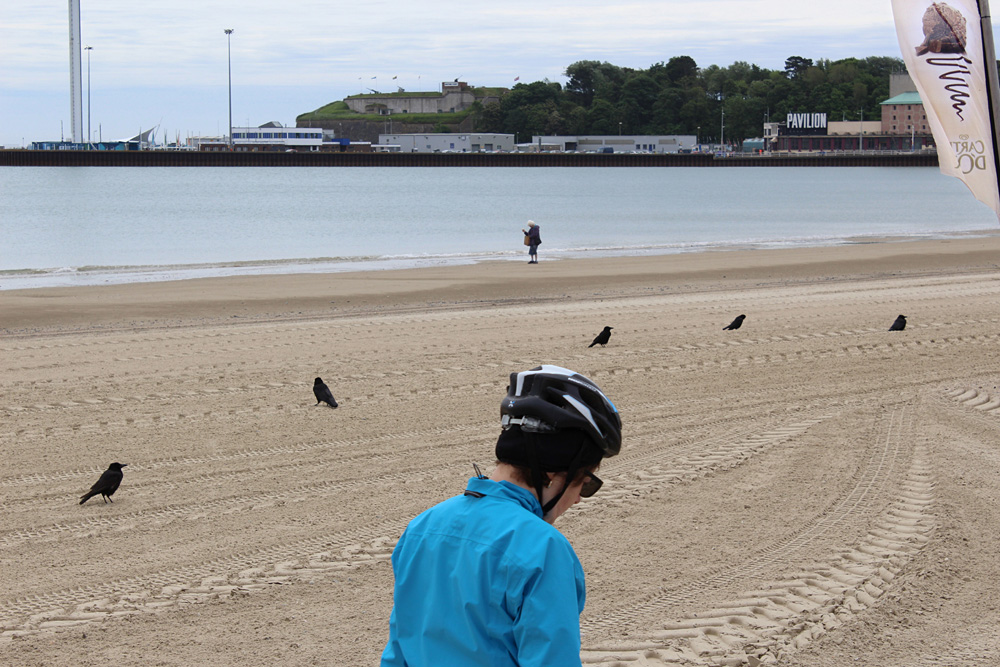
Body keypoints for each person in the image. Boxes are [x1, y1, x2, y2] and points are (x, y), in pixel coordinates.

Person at [381, 365, 622, 667]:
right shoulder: (543, 549)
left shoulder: (422, 527)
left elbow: (399, 648)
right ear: (553, 473)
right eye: (585, 483)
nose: (577, 500)